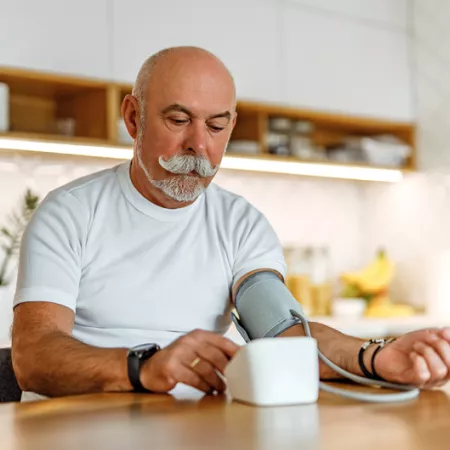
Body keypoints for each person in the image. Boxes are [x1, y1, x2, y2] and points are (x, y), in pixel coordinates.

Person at [11, 47, 450, 402]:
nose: (198, 146)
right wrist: (144, 367)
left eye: (217, 126)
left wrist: (378, 358)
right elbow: (33, 356)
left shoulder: (240, 224)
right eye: (178, 120)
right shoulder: (69, 213)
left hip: (199, 430)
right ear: (133, 118)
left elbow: (283, 333)